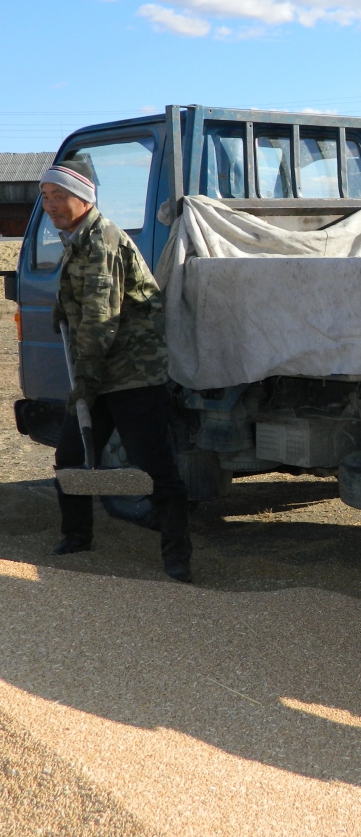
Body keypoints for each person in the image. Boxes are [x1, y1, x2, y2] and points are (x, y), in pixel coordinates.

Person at [40, 159, 192, 582]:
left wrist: (85, 382)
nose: (51, 206)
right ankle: (77, 537)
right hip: (99, 370)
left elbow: (100, 318)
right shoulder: (76, 238)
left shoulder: (101, 241)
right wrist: (60, 310)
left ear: (83, 198)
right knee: (70, 456)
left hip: (130, 373)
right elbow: (81, 299)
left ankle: (177, 558)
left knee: (153, 466)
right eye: (46, 197)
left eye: (59, 197)